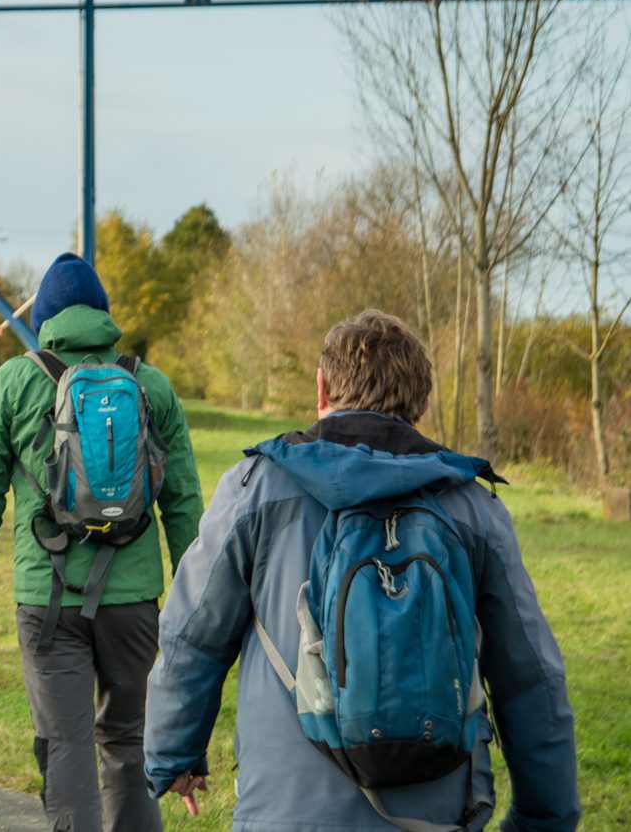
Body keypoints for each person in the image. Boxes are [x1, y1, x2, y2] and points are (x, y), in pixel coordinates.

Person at [144, 311, 579, 829]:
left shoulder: (257, 487)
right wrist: (544, 815)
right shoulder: (471, 508)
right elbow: (529, 676)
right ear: (422, 402)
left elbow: (193, 632)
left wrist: (172, 753)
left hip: (284, 812)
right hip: (436, 817)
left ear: (322, 388)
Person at [0, 254, 202, 832]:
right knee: (129, 741)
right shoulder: (149, 384)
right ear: (103, 316)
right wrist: (195, 604)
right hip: (134, 601)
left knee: (65, 744)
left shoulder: (13, 382)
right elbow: (184, 502)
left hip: (48, 600)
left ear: (43, 319)